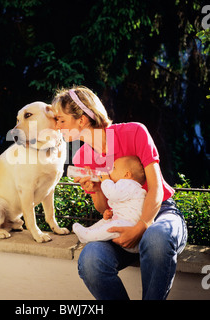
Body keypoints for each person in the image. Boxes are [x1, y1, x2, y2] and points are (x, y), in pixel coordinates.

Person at [52, 85, 187, 300]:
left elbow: (156, 187)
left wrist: (142, 226)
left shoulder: (134, 132)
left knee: (156, 238)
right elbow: (104, 209)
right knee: (90, 259)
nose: (55, 126)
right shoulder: (82, 157)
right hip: (121, 218)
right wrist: (95, 190)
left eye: (60, 120)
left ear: (82, 120)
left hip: (160, 212)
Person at [73, 156, 147, 254]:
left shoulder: (129, 184)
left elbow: (112, 194)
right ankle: (88, 231)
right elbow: (123, 207)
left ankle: (88, 235)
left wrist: (106, 180)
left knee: (114, 226)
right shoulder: (126, 187)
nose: (110, 171)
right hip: (125, 225)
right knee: (106, 221)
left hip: (130, 229)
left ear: (127, 174)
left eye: (114, 168)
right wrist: (111, 213)